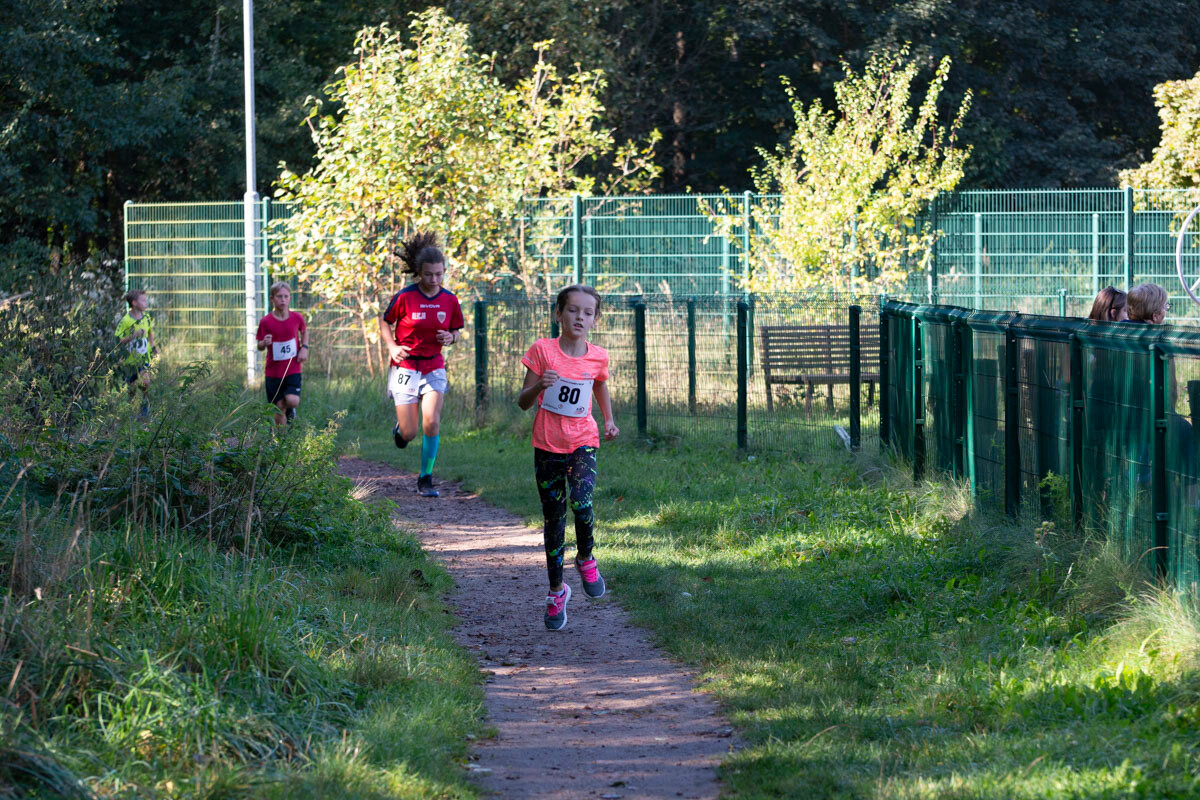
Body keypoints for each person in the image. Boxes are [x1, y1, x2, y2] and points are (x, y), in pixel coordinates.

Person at [517, 285, 619, 631]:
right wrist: (538, 386)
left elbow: (599, 383)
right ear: (558, 314)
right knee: (554, 520)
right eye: (572, 310)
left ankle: (587, 557)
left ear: (594, 319)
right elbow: (522, 402)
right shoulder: (542, 351)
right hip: (547, 445)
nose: (579, 317)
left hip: (583, 443)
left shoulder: (598, 356)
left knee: (583, 502)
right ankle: (556, 591)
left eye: (587, 312)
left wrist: (608, 419)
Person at [380, 232, 464, 497]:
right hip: (405, 368)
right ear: (418, 273)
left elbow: (457, 330)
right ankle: (400, 430)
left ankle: (425, 478)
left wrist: (451, 337)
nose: (434, 280)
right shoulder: (405, 297)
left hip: (434, 366)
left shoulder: (450, 300)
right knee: (411, 432)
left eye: (439, 274)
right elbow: (385, 321)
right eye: (429, 275)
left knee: (432, 423)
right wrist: (392, 346)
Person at [256, 282, 308, 426]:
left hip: (292, 368)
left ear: (290, 298)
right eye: (279, 296)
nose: (283, 300)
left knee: (292, 400)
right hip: (273, 371)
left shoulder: (297, 318)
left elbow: (304, 331)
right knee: (278, 409)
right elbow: (259, 345)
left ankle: (291, 411)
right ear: (272, 298)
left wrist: (304, 347)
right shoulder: (266, 321)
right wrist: (264, 343)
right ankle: (282, 442)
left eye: (286, 296)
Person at [115, 289, 155, 418]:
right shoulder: (126, 320)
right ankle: (131, 413)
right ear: (134, 303)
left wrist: (154, 347)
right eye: (143, 300)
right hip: (130, 361)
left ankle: (144, 407)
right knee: (131, 388)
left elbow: (149, 332)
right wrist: (133, 336)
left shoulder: (147, 317)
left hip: (144, 359)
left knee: (146, 382)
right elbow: (119, 339)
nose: (146, 303)